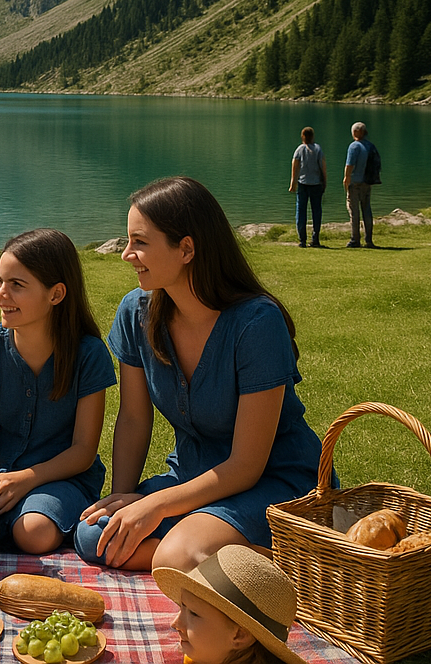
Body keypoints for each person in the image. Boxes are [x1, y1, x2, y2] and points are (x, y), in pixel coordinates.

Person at [75, 177, 328, 573]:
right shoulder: (135, 312)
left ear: (186, 249)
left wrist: (155, 504)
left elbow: (247, 465)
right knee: (96, 537)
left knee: (176, 554)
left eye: (139, 242)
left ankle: (295, 558)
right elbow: (135, 419)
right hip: (192, 475)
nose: (127, 254)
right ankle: (226, 561)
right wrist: (124, 498)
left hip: (274, 481)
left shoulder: (257, 323)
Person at [0, 229, 117, 554]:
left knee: (34, 533)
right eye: (0, 281)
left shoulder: (88, 354)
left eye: (16, 285)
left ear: (56, 294)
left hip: (62, 478)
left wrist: (27, 480)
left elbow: (83, 450)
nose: (0, 294)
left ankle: (2, 525)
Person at [153, 544, 306, 664]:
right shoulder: (203, 657)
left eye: (193, 613)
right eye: (182, 607)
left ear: (240, 635)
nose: (175, 624)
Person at [288, 127, 326, 248]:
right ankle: (315, 239)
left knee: (301, 211)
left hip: (302, 184)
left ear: (302, 137)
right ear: (313, 136)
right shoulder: (318, 149)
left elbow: (295, 166)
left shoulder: (299, 149)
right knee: (316, 211)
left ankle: (302, 240)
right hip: (316, 184)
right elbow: (323, 166)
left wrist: (293, 183)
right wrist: (324, 181)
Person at [343, 122, 377, 248]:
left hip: (355, 182)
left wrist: (346, 178)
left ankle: (355, 239)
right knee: (367, 209)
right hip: (367, 182)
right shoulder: (370, 146)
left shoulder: (354, 147)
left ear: (357, 132)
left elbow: (349, 165)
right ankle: (369, 240)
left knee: (354, 211)